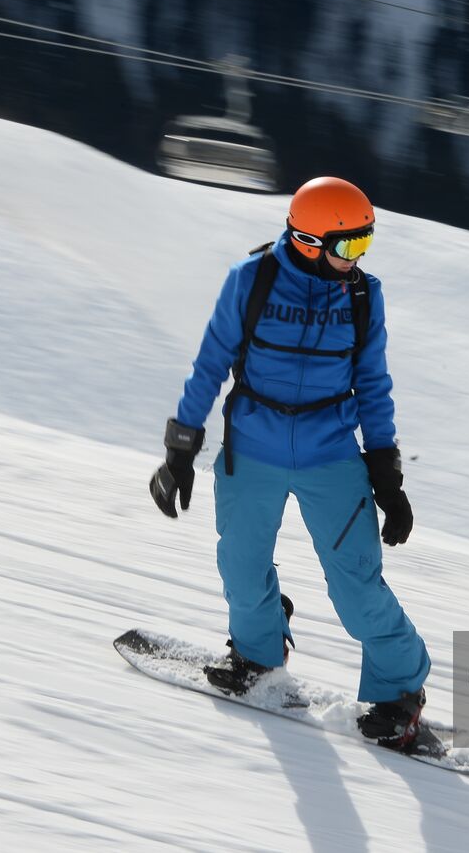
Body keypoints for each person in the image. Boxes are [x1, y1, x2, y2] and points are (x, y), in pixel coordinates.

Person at [149, 176, 430, 745]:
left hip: (332, 456)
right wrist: (180, 451)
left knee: (356, 584)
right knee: (242, 566)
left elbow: (373, 384)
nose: (357, 259)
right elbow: (209, 365)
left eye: (365, 246)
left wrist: (387, 475)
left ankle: (399, 688)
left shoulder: (360, 296)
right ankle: (257, 654)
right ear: (307, 240)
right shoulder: (250, 282)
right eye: (347, 246)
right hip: (252, 449)